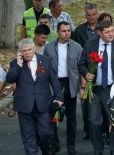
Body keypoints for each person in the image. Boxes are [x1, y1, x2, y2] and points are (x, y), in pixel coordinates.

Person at [6, 39, 64, 155]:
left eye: (29, 50)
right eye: (24, 51)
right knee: (28, 137)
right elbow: (10, 79)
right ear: (20, 52)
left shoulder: (46, 61)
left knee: (46, 133)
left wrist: (59, 98)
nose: (27, 53)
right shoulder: (15, 63)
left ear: (34, 49)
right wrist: (18, 64)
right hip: (24, 106)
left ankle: (45, 151)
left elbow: (54, 81)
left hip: (43, 105)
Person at [79, 20, 114, 155]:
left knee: (113, 122)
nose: (111, 34)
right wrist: (86, 73)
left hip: (113, 90)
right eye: (107, 32)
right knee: (94, 122)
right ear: (100, 33)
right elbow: (82, 63)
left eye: (112, 31)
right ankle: (98, 150)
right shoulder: (90, 45)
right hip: (95, 90)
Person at [43, 21, 83, 155]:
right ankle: (55, 144)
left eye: (68, 31)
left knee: (71, 117)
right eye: (64, 31)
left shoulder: (77, 47)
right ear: (58, 32)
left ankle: (71, 144)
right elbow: (44, 68)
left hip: (70, 83)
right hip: (54, 85)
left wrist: (82, 87)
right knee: (53, 115)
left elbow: (81, 68)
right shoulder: (49, 48)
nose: (67, 33)